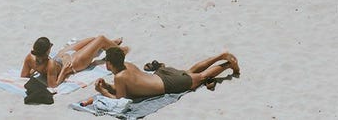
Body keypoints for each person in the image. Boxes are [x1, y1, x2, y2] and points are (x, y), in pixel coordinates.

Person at [95, 46, 238, 101]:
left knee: (201, 77)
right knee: (189, 72)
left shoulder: (119, 77)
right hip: (162, 73)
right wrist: (107, 85)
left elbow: (120, 99)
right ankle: (220, 56)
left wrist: (102, 90)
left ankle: (228, 64)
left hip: (168, 84)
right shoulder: (127, 66)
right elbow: (128, 87)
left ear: (109, 63)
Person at [22, 36, 126, 89]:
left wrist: (34, 69)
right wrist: (64, 71)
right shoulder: (50, 64)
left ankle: (110, 43)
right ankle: (120, 50)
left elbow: (24, 75)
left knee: (92, 40)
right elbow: (53, 85)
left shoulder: (29, 58)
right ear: (47, 51)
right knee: (101, 39)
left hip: (62, 57)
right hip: (74, 62)